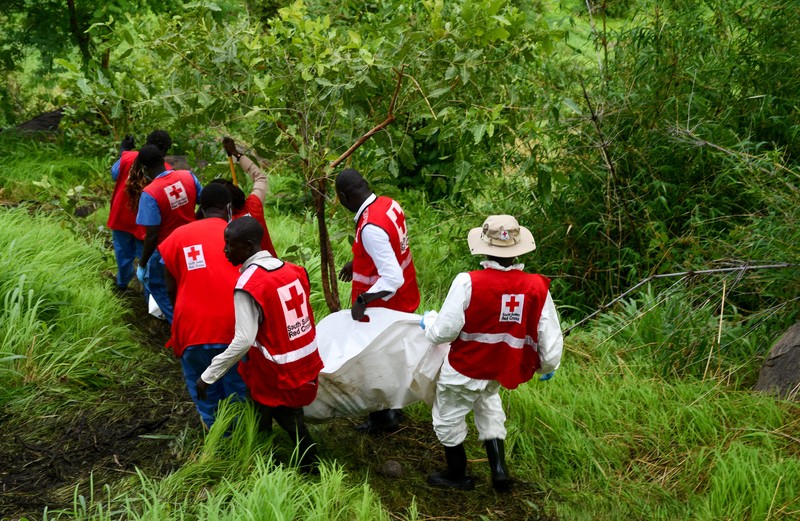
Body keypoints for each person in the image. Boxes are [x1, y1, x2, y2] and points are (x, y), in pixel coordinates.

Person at [420, 214, 563, 491]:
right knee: (488, 405)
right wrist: (547, 365)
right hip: (501, 368)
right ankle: (499, 471)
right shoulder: (536, 286)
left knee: (447, 416)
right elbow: (550, 334)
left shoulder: (467, 282)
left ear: (484, 248)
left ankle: (456, 474)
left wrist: (430, 324)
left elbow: (445, 332)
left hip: (465, 367)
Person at [196, 216, 323, 471]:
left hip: (275, 371)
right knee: (264, 413)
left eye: (230, 244)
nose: (225, 250)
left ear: (250, 245)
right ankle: (264, 457)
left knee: (289, 419)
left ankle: (310, 467)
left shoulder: (249, 285)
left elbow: (244, 339)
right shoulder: (294, 270)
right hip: (305, 361)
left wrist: (210, 375)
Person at [335, 168, 420, 434]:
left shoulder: (371, 227)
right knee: (393, 356)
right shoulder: (388, 204)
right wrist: (359, 260)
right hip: (405, 295)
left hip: (385, 304)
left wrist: (363, 299)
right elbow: (391, 246)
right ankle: (394, 407)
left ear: (343, 197)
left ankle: (384, 419)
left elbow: (391, 278)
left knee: (374, 359)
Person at [159, 183, 247, 428]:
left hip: (192, 328)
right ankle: (241, 438)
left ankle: (216, 435)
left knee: (204, 385)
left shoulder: (178, 236)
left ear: (201, 207)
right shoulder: (240, 235)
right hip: (236, 326)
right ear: (229, 208)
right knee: (237, 387)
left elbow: (169, 288)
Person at [135, 144, 202, 324]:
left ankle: (180, 327)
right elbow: (205, 202)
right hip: (193, 243)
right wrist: (195, 221)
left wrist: (142, 265)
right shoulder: (188, 176)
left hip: (167, 249)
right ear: (163, 160)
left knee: (158, 285)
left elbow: (152, 235)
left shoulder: (150, 193)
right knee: (189, 284)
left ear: (144, 168)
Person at [107, 130, 172, 291]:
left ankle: (121, 284)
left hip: (120, 217)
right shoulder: (167, 170)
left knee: (123, 257)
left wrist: (123, 152)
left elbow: (115, 174)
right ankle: (149, 297)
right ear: (166, 151)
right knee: (147, 262)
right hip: (146, 225)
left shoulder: (129, 157)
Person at [217, 136, 278, 256]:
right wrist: (236, 154)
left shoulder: (225, 226)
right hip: (273, 264)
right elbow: (260, 178)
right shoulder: (253, 205)